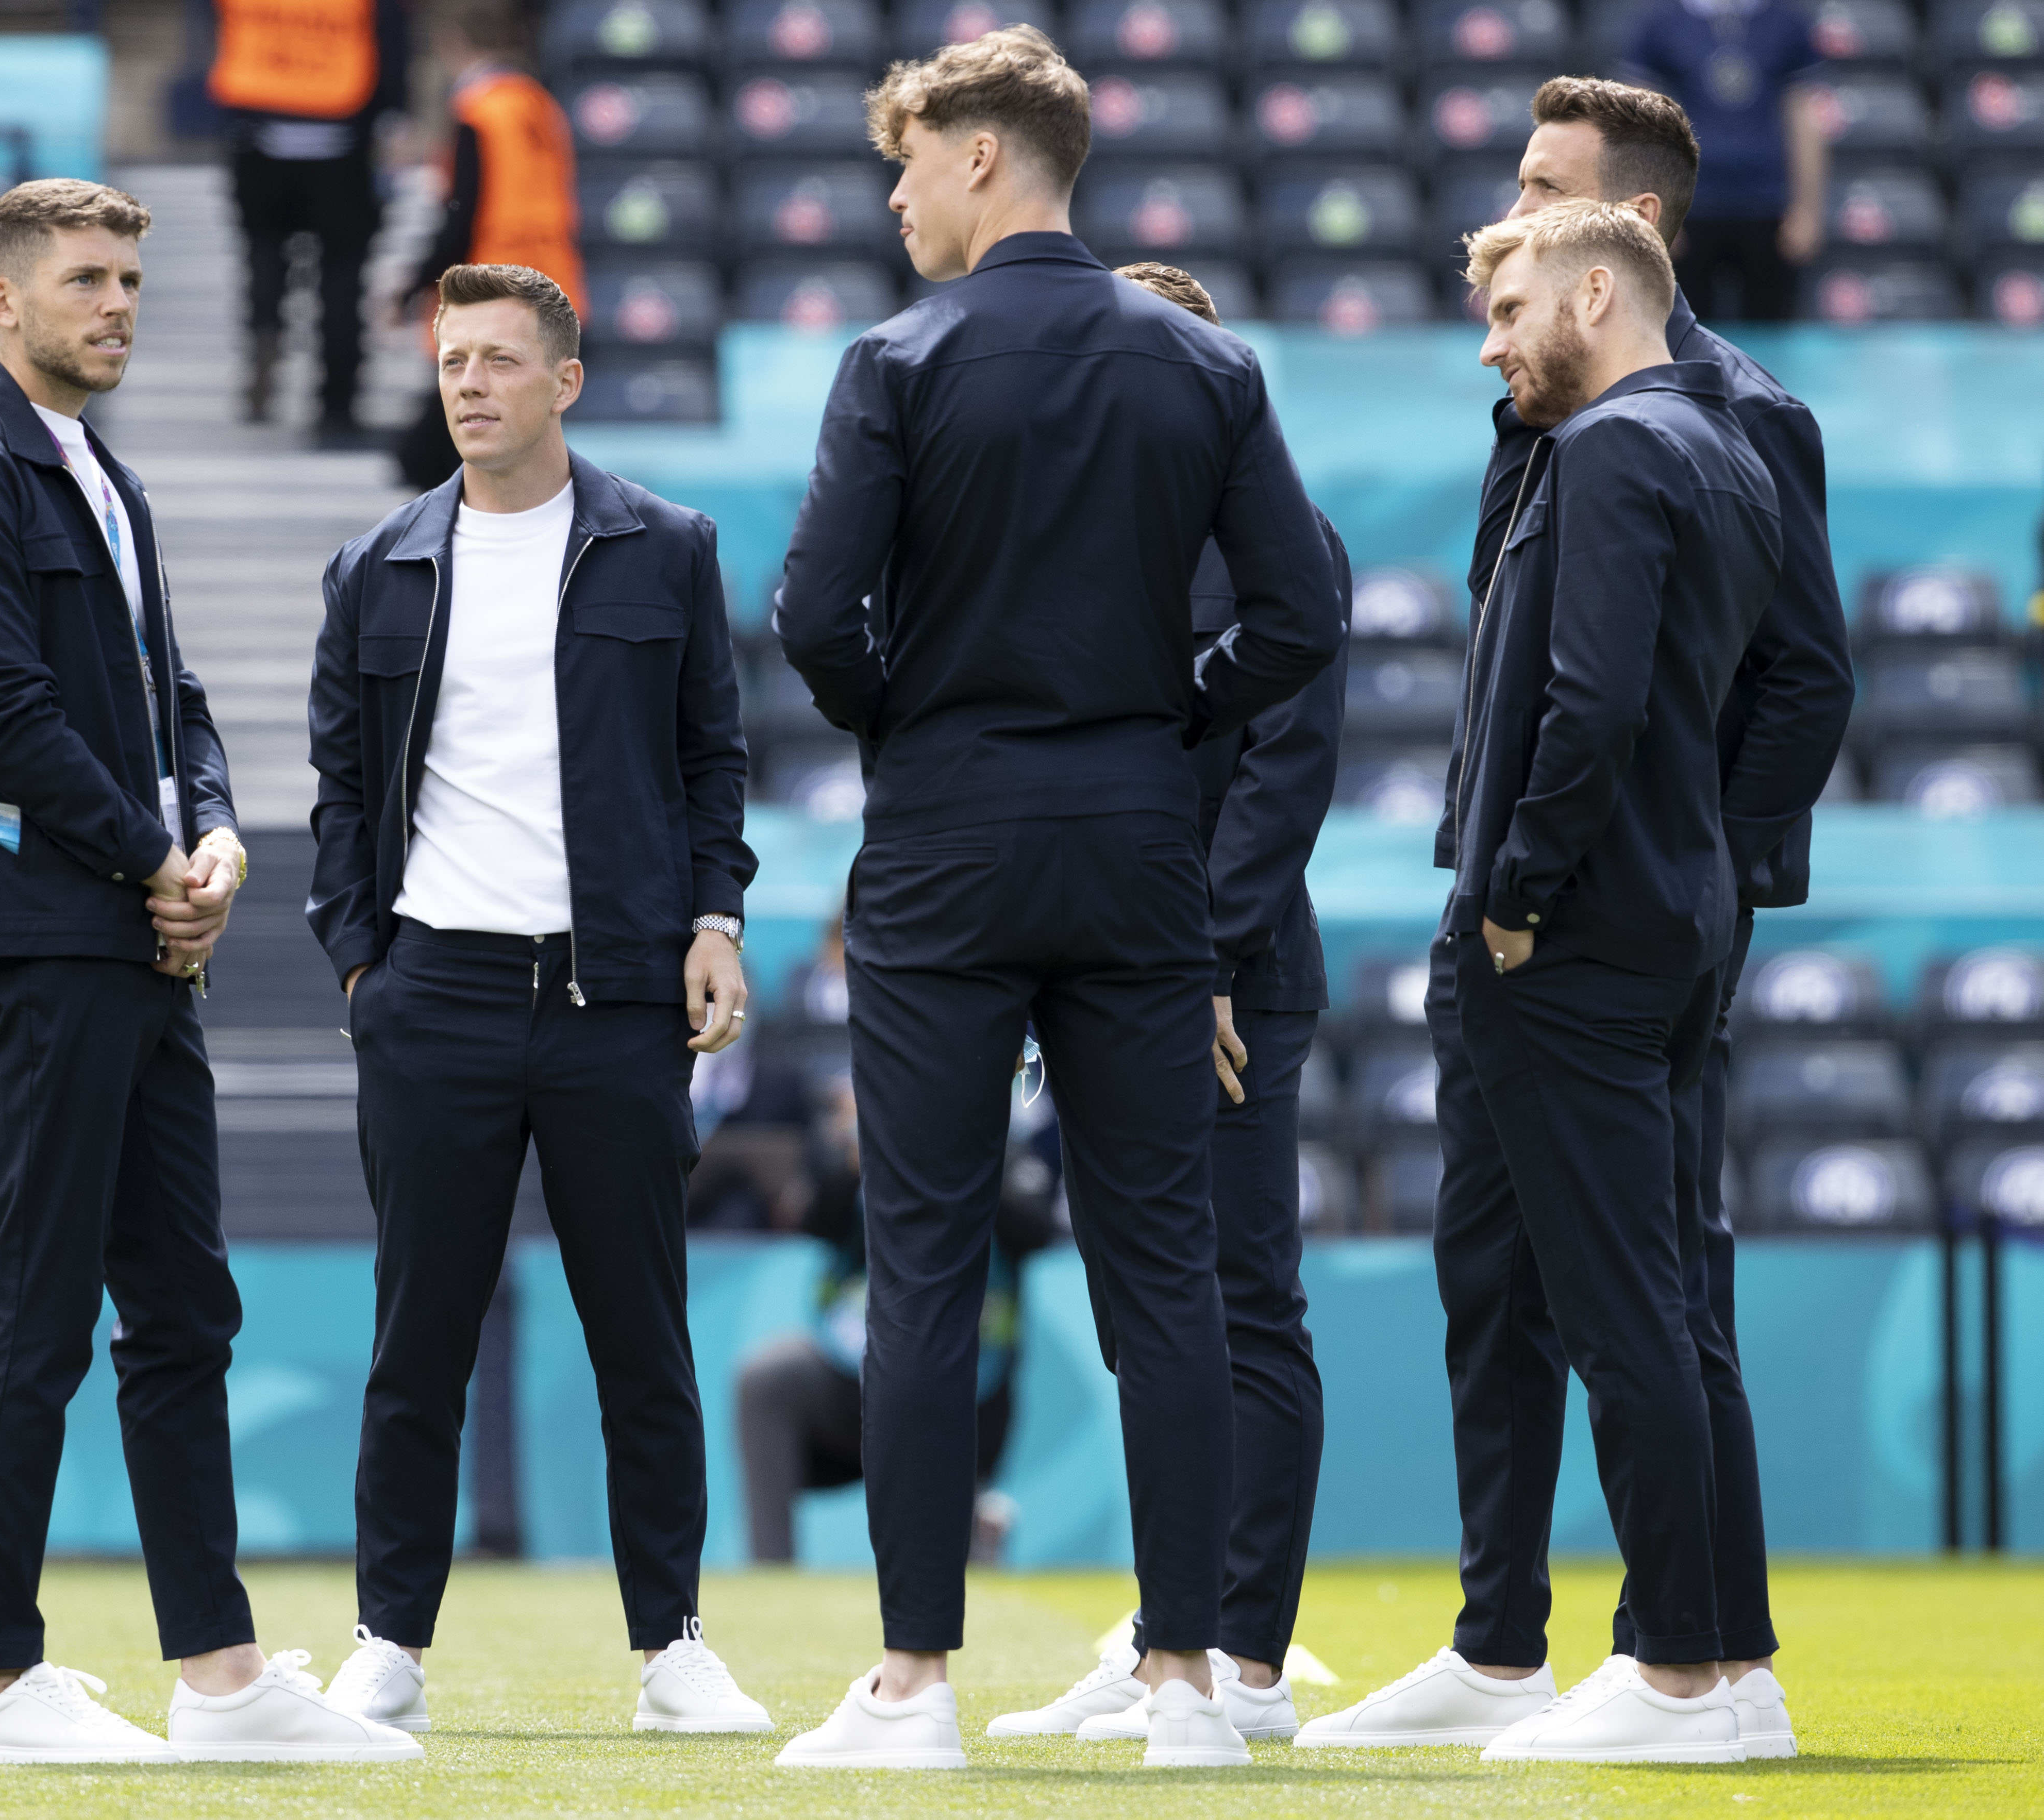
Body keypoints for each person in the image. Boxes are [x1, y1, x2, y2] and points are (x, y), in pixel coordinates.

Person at [769, 29, 1343, 1773]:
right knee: (1168, 1269)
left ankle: (916, 1691)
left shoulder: (896, 360)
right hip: (1135, 838)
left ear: (979, 160)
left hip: (946, 840)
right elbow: (1302, 619)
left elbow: (810, 618)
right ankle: (1188, 1690)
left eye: (905, 161)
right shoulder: (1203, 366)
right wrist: (1168, 713)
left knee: (924, 1264)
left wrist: (918, 716)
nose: (891, 197)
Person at [1302, 80, 1849, 1761]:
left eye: (1543, 200)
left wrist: (1665, 882)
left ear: (1628, 241)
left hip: (1604, 922)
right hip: (1560, 914)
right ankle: (1503, 1638)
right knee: (1503, 1278)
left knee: (1652, 1293)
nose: (1508, 223)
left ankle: (1698, 1658)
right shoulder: (1558, 401)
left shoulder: (1705, 418)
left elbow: (1789, 679)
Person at [0, 178, 417, 1766]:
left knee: (182, 1307)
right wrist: (150, 856)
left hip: (130, 930)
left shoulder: (102, 474)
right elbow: (0, 711)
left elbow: (166, 690)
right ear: (1, 298)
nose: (117, 304)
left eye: (128, 279)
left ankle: (224, 1676)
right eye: (87, 281)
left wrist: (219, 834)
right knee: (31, 1309)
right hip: (42, 936)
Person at [304, 260, 770, 1737]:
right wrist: (360, 962)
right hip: (431, 988)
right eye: (453, 360)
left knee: (642, 1332)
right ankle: (388, 1639)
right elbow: (337, 789)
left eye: (500, 360)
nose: (468, 384)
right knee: (417, 1335)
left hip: (614, 992)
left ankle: (672, 1646)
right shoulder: (376, 562)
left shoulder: (664, 548)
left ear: (565, 382)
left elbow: (714, 759)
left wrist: (713, 915)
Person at [992, 258, 1349, 1750]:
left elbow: (1282, 776)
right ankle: (1168, 1627)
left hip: (1219, 981)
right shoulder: (1093, 543)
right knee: (1150, 1318)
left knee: (1236, 1302)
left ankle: (1245, 1654)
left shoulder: (1280, 548)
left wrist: (1196, 954)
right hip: (1103, 978)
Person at [735, 1072, 1051, 1565]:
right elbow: (810, 1219)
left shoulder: (995, 1143)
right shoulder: (858, 1142)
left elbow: (1038, 1229)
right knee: (768, 1378)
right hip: (852, 1371)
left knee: (953, 1586)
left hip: (964, 1380)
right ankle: (772, 1575)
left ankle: (976, 1518)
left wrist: (962, 1161)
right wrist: (852, 1159)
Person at [393, 1, 584, 491]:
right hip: (551, 285)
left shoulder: (479, 111)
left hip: (492, 291)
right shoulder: (540, 106)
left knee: (429, 455)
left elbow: (462, 214)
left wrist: (415, 284)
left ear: (452, 45)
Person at [208, 0, 406, 444]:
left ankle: (265, 336)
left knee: (262, 254)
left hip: (261, 134)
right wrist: (392, 120)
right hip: (341, 140)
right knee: (341, 279)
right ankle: (336, 403)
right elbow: (390, 46)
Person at [1622, 0, 1827, 320]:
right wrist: (1655, 214)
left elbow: (1804, 120)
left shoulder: (1785, 24)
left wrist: (1808, 210)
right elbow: (1640, 125)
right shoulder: (1664, 23)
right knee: (1682, 334)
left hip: (1768, 206)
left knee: (1772, 333)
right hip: (1688, 206)